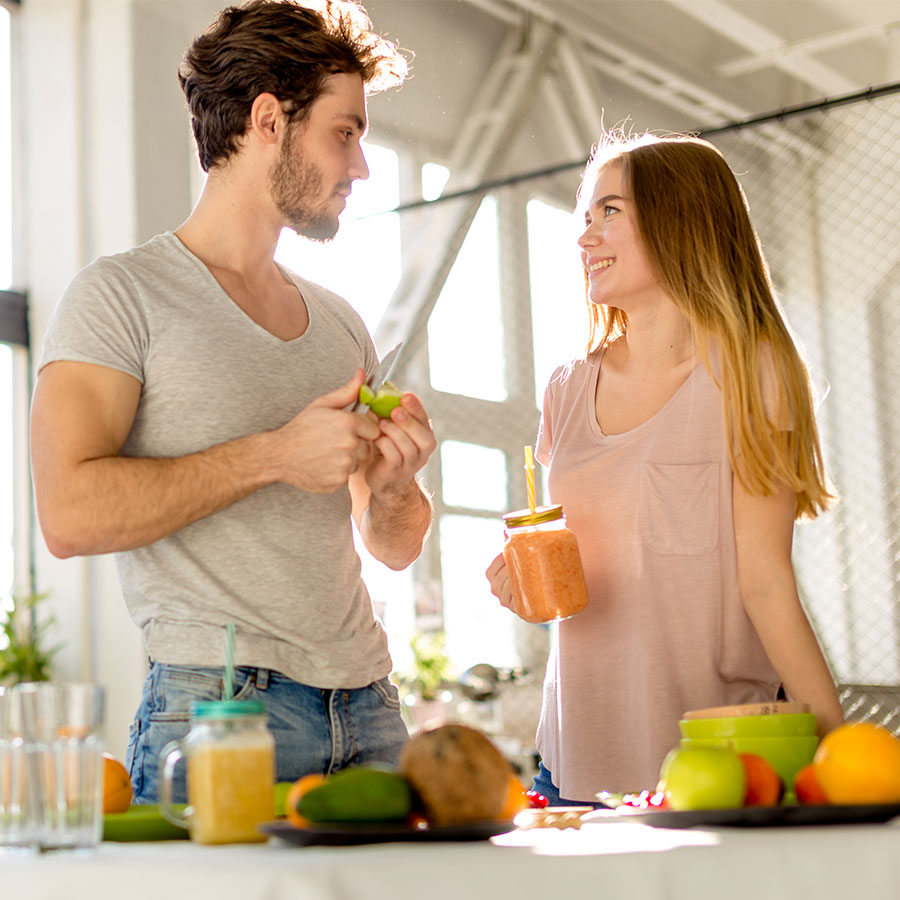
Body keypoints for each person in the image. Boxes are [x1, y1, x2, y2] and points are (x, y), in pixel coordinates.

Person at [30, 0, 435, 803]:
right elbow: (68, 514)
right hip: (221, 713)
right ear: (268, 120)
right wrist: (276, 454)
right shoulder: (121, 295)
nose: (360, 168)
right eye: (345, 133)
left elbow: (392, 545)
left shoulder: (341, 323)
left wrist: (394, 486)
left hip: (372, 707)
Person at [486, 131, 845, 805]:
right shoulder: (567, 387)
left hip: (720, 758)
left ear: (681, 216)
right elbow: (582, 562)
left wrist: (836, 746)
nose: (585, 236)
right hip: (569, 766)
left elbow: (766, 581)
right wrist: (520, 584)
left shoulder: (750, 373)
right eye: (584, 217)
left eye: (610, 212)